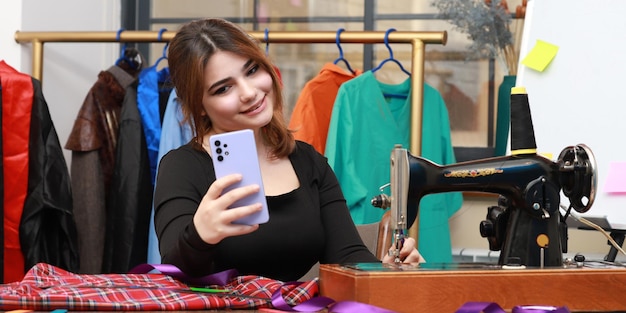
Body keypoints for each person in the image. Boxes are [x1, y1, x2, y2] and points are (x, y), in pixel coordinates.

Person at [154, 18, 424, 282]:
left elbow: (346, 255)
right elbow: (175, 271)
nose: (249, 92)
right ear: (199, 105)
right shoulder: (181, 168)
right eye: (223, 88)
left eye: (252, 71)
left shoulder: (308, 162)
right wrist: (200, 235)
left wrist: (384, 272)